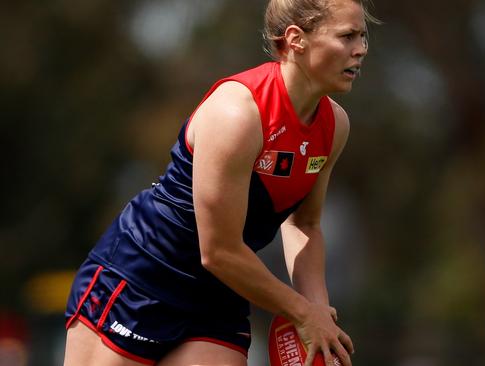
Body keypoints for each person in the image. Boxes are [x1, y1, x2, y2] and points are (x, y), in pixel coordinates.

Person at [63, 0, 377, 365]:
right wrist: (301, 312)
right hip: (142, 277)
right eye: (347, 36)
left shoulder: (334, 126)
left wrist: (320, 314)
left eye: (363, 36)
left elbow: (304, 224)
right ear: (296, 39)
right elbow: (219, 250)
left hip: (222, 292)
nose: (361, 49)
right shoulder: (238, 114)